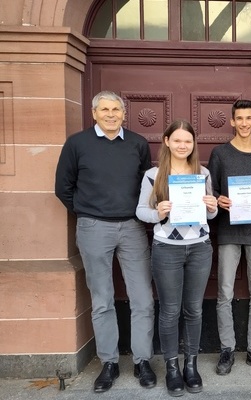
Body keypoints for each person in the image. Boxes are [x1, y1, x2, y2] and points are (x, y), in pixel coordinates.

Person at [55, 90, 156, 393]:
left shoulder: (138, 144)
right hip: (93, 227)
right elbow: (63, 187)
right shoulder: (77, 144)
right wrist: (87, 212)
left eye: (116, 110)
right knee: (102, 300)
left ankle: (142, 360)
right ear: (94, 113)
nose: (111, 115)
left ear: (124, 113)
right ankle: (109, 362)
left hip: (132, 227)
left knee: (143, 298)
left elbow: (146, 186)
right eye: (105, 110)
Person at [136, 119, 218, 397]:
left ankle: (191, 366)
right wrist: (157, 213)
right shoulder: (153, 175)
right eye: (178, 140)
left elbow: (210, 216)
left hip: (200, 248)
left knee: (194, 309)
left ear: (194, 144)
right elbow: (140, 211)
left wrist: (213, 206)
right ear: (167, 141)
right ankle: (172, 368)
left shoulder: (202, 173)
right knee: (170, 311)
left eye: (188, 141)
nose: (183, 145)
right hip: (166, 249)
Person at [208, 99, 251, 375]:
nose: (244, 123)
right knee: (224, 292)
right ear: (232, 121)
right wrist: (218, 199)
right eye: (239, 118)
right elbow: (210, 190)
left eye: (249, 118)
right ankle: (227, 349)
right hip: (228, 231)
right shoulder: (220, 154)